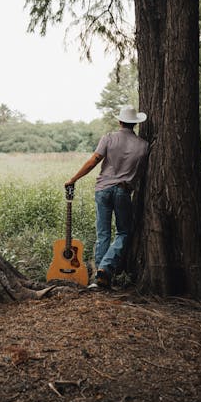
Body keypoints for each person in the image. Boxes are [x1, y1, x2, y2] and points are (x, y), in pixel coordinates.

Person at [64, 105, 149, 289]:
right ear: (134, 124)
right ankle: (105, 271)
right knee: (123, 232)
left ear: (120, 121)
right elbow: (141, 173)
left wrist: (73, 178)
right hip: (123, 191)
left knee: (103, 233)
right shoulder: (143, 145)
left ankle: (98, 276)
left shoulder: (109, 138)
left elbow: (94, 160)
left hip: (102, 190)